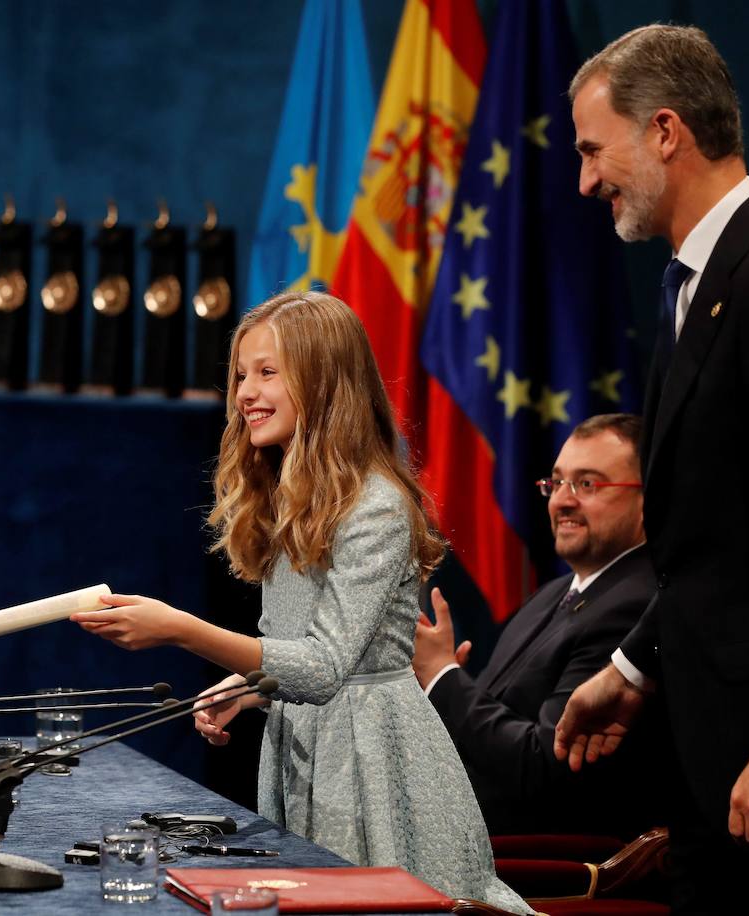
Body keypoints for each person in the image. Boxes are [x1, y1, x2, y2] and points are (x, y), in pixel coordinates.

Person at [72, 290, 530, 912]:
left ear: (326, 381)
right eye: (240, 375)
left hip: (375, 768)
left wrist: (179, 628)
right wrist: (249, 685)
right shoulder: (287, 494)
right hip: (305, 750)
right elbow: (296, 654)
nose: (244, 393)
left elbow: (322, 667)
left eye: (267, 373)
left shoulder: (375, 505)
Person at [555, 25, 749, 910]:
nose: (587, 180)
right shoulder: (693, 283)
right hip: (704, 752)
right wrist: (630, 672)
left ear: (666, 131)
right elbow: (714, 544)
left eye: (596, 150)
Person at [414, 414, 663, 837]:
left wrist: (444, 678)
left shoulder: (640, 605)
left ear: (648, 501)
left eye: (588, 484)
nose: (561, 501)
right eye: (556, 483)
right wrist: (437, 687)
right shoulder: (556, 593)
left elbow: (543, 765)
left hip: (542, 866)